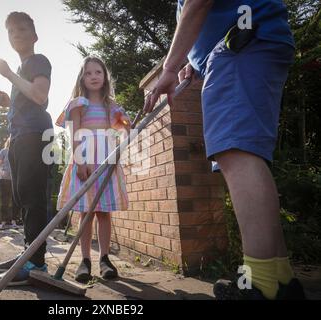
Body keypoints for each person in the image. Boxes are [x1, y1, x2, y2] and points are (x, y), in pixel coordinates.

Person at [143, 0, 304, 300]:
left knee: (235, 152)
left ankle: (261, 285)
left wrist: (170, 67)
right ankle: (279, 279)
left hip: (241, 46)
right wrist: (195, 61)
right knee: (247, 155)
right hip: (250, 42)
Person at [0, 12, 53, 286]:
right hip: (18, 137)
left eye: (23, 29)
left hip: (35, 135)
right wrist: (9, 100)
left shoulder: (38, 61)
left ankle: (36, 262)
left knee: (32, 195)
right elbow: (27, 96)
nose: (16, 33)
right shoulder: (22, 70)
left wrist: (8, 75)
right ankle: (28, 252)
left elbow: (40, 96)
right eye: (11, 30)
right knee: (21, 196)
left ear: (34, 36)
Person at [56, 57, 131, 283]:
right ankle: (85, 259)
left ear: (105, 76)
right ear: (82, 78)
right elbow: (75, 134)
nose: (94, 76)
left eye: (98, 72)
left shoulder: (111, 106)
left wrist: (127, 122)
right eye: (88, 73)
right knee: (86, 212)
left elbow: (123, 130)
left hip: (106, 162)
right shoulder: (78, 104)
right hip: (85, 161)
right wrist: (80, 162)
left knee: (103, 212)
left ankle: (105, 258)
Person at [0, 138, 21, 230]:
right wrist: (1, 171)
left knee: (15, 200)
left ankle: (14, 221)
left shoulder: (18, 151)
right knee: (4, 200)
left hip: (15, 179)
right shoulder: (3, 151)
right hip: (4, 179)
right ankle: (3, 222)